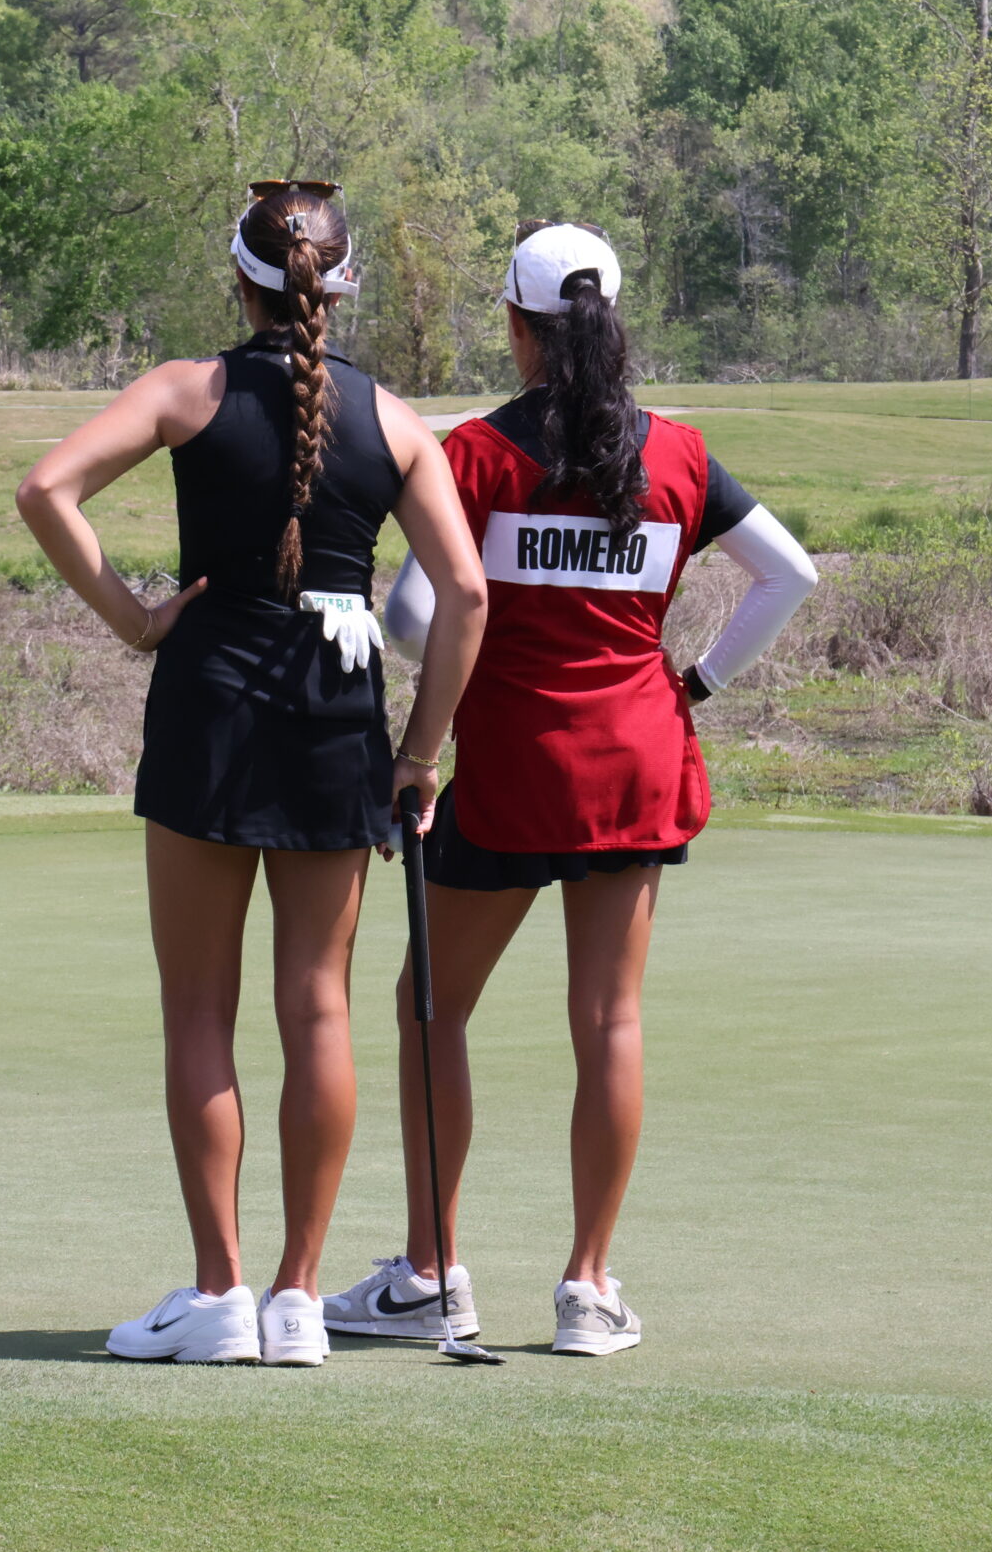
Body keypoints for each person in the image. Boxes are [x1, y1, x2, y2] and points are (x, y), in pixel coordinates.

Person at [15, 182, 488, 1368]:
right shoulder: (398, 420)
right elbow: (468, 596)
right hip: (339, 710)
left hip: (210, 701)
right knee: (317, 1005)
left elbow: (44, 490)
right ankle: (296, 1298)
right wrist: (422, 751)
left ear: (245, 279)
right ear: (341, 281)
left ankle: (218, 1293)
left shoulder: (187, 389)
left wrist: (132, 616)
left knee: (198, 1009)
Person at [326, 221, 818, 1356]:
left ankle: (431, 1273)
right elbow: (786, 576)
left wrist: (440, 690)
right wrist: (693, 679)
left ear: (515, 326)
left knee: (429, 1003)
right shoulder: (680, 455)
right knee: (609, 1020)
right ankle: (589, 1290)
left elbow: (413, 615)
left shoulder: (476, 455)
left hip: (508, 767)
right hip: (638, 760)